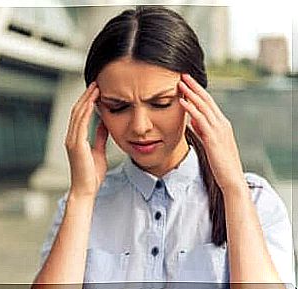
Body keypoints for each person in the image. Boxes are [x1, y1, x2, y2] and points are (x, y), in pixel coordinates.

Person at [32, 5, 295, 288]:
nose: (140, 126)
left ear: (196, 99)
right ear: (95, 108)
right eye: (118, 107)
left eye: (160, 103)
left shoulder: (255, 201)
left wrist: (233, 188)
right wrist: (81, 197)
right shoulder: (80, 206)